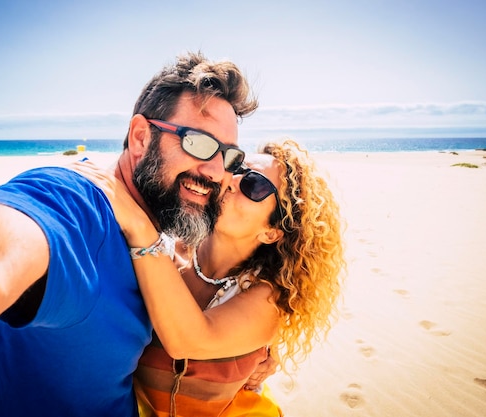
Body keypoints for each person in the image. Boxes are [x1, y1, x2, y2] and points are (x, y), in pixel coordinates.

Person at [0, 51, 258, 416]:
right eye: (198, 142)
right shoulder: (80, 205)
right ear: (139, 138)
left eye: (229, 156)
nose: (215, 171)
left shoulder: (154, 241)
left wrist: (251, 356)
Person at [77, 139, 345, 416]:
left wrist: (141, 229)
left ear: (271, 232)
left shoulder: (268, 298)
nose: (231, 180)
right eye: (236, 168)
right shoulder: (166, 244)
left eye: (253, 185)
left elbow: (190, 340)